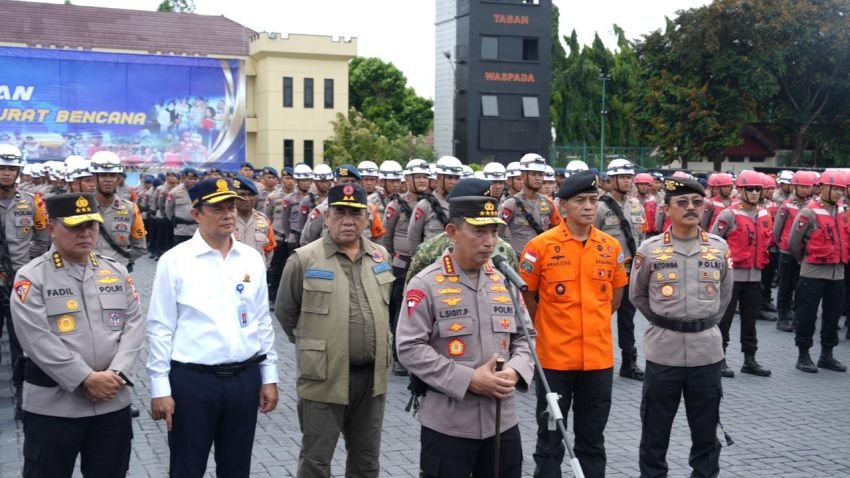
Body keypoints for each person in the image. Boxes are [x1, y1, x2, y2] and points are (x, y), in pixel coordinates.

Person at [146, 178, 279, 477]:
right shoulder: (175, 261)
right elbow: (160, 327)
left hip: (244, 379)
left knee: (236, 468)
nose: (228, 214)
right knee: (187, 467)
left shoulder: (251, 258)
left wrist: (269, 376)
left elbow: (261, 322)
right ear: (196, 214)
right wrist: (160, 387)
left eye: (231, 206)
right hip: (193, 382)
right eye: (217, 208)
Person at [396, 193, 534, 478]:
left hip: (502, 422)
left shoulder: (503, 280)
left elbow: (526, 336)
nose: (489, 241)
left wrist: (515, 371)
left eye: (494, 231)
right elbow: (409, 347)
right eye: (479, 231)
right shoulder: (426, 283)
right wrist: (469, 379)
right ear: (452, 232)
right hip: (449, 426)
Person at [11, 192, 143, 477]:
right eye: (74, 226)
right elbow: (36, 338)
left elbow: (134, 326)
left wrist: (117, 374)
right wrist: (85, 378)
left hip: (112, 403)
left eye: (91, 225)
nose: (85, 233)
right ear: (50, 229)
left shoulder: (116, 271)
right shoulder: (31, 277)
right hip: (54, 408)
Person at [276, 184, 393, 478]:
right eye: (340, 212)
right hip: (324, 376)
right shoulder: (304, 258)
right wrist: (315, 343)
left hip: (371, 379)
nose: (348, 220)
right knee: (317, 460)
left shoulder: (380, 256)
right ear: (327, 217)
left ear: (367, 217)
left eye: (355, 213)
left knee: (367, 461)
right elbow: (286, 312)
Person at [519, 170, 628, 478]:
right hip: (554, 360)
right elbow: (527, 298)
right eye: (580, 200)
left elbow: (615, 299)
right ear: (563, 206)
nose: (589, 207)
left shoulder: (610, 247)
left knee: (592, 440)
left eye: (594, 200)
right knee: (550, 438)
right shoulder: (540, 247)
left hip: (597, 360)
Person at [630, 177, 732, 478]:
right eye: (682, 203)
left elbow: (725, 296)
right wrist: (669, 322)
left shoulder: (718, 248)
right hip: (664, 353)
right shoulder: (649, 250)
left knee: (705, 433)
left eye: (697, 203)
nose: (691, 208)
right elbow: (638, 295)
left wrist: (701, 322)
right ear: (667, 209)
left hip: (707, 354)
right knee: (655, 432)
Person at [0, 144, 50, 420]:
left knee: (22, 343)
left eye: (11, 169)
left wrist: (25, 267)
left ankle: (22, 395)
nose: (6, 174)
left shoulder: (32, 202)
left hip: (20, 283)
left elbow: (42, 239)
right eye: (2, 169)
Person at [710, 170, 772, 378]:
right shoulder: (729, 214)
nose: (754, 193)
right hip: (732, 277)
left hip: (754, 277)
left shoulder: (764, 214)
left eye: (758, 189)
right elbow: (713, 242)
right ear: (741, 190)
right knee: (724, 320)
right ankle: (720, 359)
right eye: (750, 189)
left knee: (750, 320)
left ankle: (750, 359)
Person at [787, 170, 848, 373]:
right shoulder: (809, 212)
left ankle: (827, 355)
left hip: (837, 273)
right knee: (807, 315)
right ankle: (803, 355)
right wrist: (804, 261)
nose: (839, 193)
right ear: (822, 188)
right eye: (835, 189)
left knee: (832, 316)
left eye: (842, 189)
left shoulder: (844, 211)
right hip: (813, 272)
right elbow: (794, 243)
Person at [595, 158, 647, 381]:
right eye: (623, 177)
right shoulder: (600, 207)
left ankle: (629, 362)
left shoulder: (636, 206)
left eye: (629, 177)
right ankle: (597, 359)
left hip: (629, 272)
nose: (627, 181)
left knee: (627, 318)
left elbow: (641, 236)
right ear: (611, 179)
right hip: (604, 274)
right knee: (599, 318)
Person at [382, 159, 431, 376]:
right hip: (402, 265)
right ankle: (398, 356)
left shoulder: (433, 204)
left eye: (424, 176)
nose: (422, 180)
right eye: (417, 176)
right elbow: (386, 237)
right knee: (400, 309)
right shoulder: (395, 205)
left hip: (427, 265)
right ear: (408, 179)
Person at [89, 151, 147, 272]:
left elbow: (140, 247)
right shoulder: (82, 208)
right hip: (87, 273)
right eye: (104, 175)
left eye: (113, 175)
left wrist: (122, 261)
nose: (108, 180)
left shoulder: (130, 209)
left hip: (118, 274)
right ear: (94, 178)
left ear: (118, 178)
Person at [773, 170, 816, 332]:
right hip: (787, 253)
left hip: (806, 253)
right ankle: (782, 317)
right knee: (785, 285)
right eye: (802, 186)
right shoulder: (786, 206)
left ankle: (797, 316)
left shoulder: (813, 206)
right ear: (795, 187)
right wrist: (783, 246)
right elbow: (777, 231)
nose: (805, 190)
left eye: (808, 187)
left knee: (802, 287)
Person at [498, 153, 561, 254]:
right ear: (523, 176)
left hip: (543, 260)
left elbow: (558, 232)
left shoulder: (549, 203)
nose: (538, 178)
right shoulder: (511, 204)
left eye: (540, 174)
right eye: (533, 174)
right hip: (519, 262)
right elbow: (497, 234)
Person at [408, 156, 462, 252]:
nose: (454, 182)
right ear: (439, 178)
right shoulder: (425, 205)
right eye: (449, 177)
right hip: (431, 262)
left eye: (457, 178)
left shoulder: (463, 204)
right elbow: (413, 237)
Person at [232, 175, 277, 268]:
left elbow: (270, 248)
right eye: (242, 194)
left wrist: (263, 267)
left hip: (257, 273)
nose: (247, 199)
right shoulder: (227, 220)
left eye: (251, 195)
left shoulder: (263, 220)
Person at [165, 167, 201, 246]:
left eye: (195, 179)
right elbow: (169, 209)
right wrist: (174, 220)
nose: (193, 181)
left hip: (197, 229)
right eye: (190, 178)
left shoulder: (201, 191)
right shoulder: (175, 192)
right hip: (181, 230)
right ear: (183, 178)